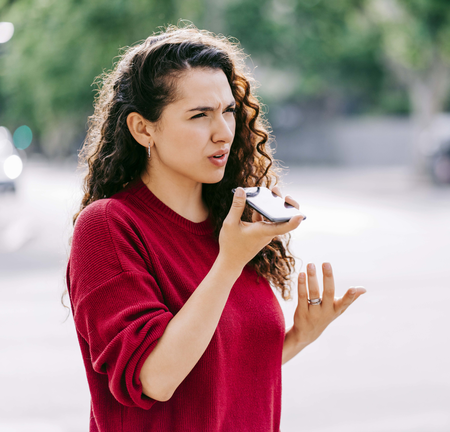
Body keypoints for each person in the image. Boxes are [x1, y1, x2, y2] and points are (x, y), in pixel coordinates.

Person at [65, 25, 367, 431]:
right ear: (143, 128)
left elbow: (212, 372)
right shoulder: (108, 226)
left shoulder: (230, 223)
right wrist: (229, 263)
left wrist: (296, 338)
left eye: (227, 111)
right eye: (199, 115)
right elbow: (156, 378)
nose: (224, 132)